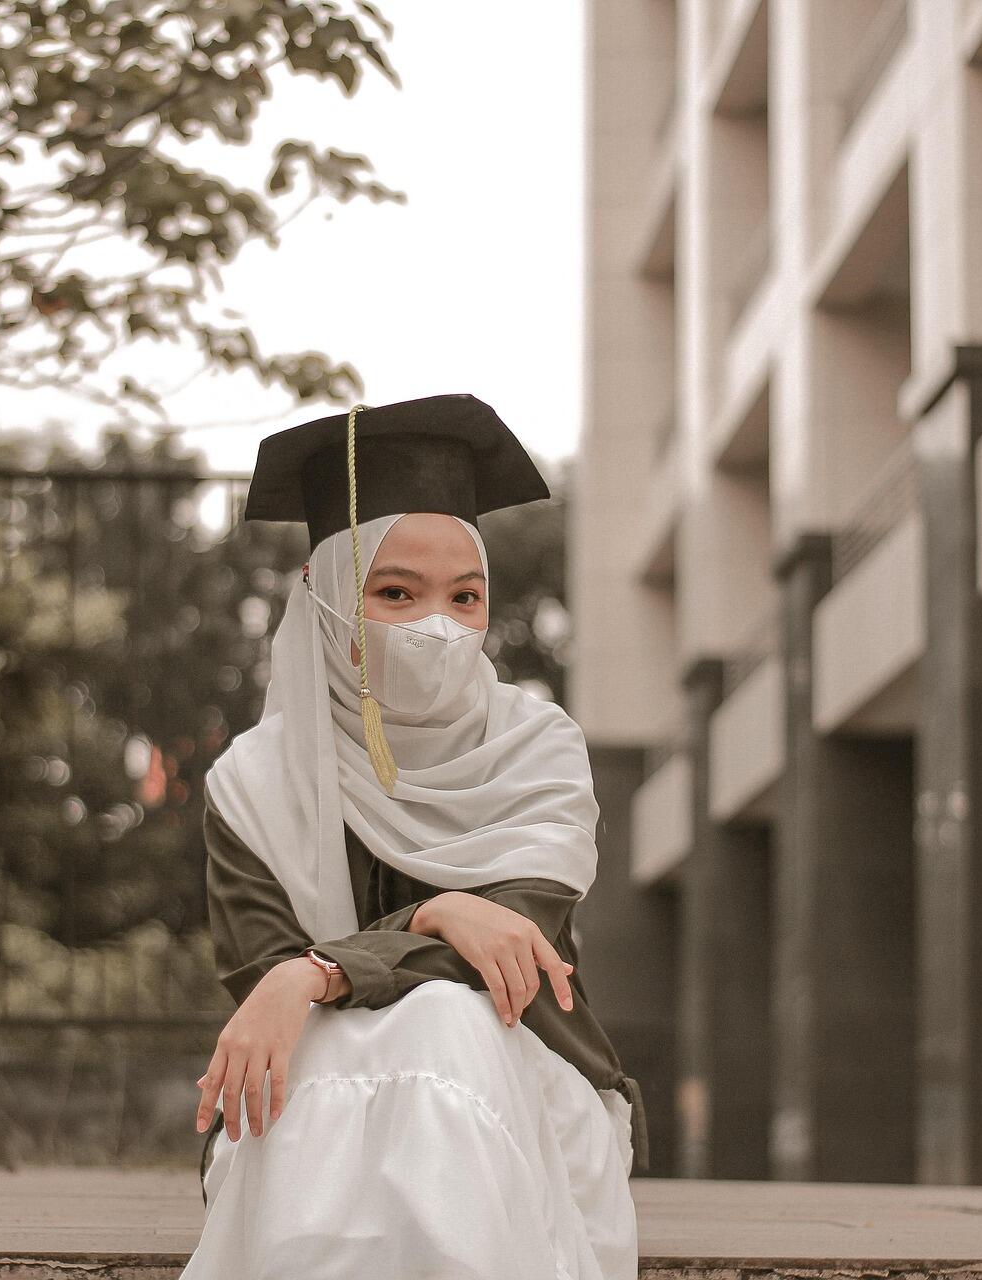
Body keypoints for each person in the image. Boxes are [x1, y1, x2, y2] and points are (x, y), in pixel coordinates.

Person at [180, 393, 647, 1280]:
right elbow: (264, 991)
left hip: (526, 1084)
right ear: (326, 598)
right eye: (395, 593)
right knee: (418, 1021)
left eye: (465, 596)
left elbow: (511, 957)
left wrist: (320, 971)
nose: (439, 623)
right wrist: (436, 920)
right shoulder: (255, 782)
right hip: (310, 1102)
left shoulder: (537, 752)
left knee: (447, 1017)